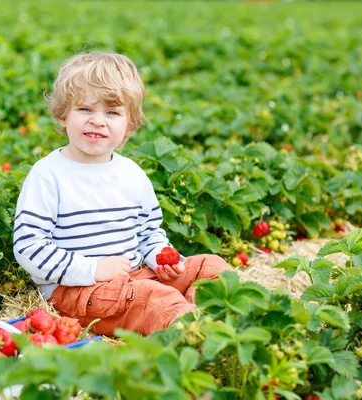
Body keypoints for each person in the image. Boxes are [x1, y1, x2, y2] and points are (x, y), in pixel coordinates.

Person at [13, 51, 231, 336]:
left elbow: (148, 232)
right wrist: (92, 269)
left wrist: (158, 257)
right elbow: (29, 246)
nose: (98, 121)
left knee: (211, 267)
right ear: (63, 115)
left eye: (112, 112)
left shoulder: (132, 174)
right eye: (85, 109)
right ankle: (195, 332)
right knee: (154, 299)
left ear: (129, 125)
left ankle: (209, 322)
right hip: (76, 291)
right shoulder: (48, 175)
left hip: (131, 278)